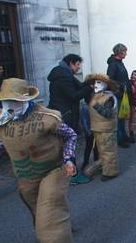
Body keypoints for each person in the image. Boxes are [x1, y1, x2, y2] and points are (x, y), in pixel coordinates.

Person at [0, 78, 77, 243]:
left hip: (53, 171)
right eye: (6, 102)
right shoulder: (2, 123)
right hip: (26, 177)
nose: (9, 106)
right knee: (39, 211)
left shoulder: (47, 118)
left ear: (26, 100)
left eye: (14, 101)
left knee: (49, 215)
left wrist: (68, 158)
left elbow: (70, 135)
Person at [47, 53, 93, 185]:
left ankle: (64, 172)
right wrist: (88, 89)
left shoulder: (64, 74)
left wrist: (89, 83)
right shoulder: (63, 77)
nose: (79, 68)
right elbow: (73, 96)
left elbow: (79, 85)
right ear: (72, 63)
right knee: (68, 144)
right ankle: (73, 175)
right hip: (65, 115)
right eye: (78, 64)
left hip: (63, 113)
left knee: (62, 145)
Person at [86, 73, 119, 181]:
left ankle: (110, 172)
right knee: (102, 151)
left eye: (99, 82)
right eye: (95, 82)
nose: (96, 84)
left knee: (108, 151)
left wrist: (95, 105)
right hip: (98, 128)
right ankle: (104, 167)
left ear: (106, 85)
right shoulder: (96, 95)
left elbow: (108, 113)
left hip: (107, 130)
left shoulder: (109, 98)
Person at [107, 43, 133, 148]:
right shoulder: (113, 64)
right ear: (120, 52)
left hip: (123, 93)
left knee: (122, 116)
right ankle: (119, 139)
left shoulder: (119, 62)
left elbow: (122, 77)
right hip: (117, 94)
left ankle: (124, 136)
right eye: (125, 51)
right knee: (118, 117)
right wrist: (122, 85)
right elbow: (110, 79)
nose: (126, 54)